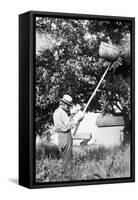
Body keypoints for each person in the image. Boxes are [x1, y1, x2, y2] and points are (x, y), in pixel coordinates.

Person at [53, 94, 84, 179]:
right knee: (68, 160)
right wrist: (77, 119)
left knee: (65, 159)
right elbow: (68, 126)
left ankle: (64, 177)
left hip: (60, 137)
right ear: (64, 104)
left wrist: (73, 115)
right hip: (66, 136)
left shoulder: (56, 111)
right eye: (68, 106)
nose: (69, 108)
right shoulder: (62, 113)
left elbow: (64, 122)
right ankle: (68, 178)